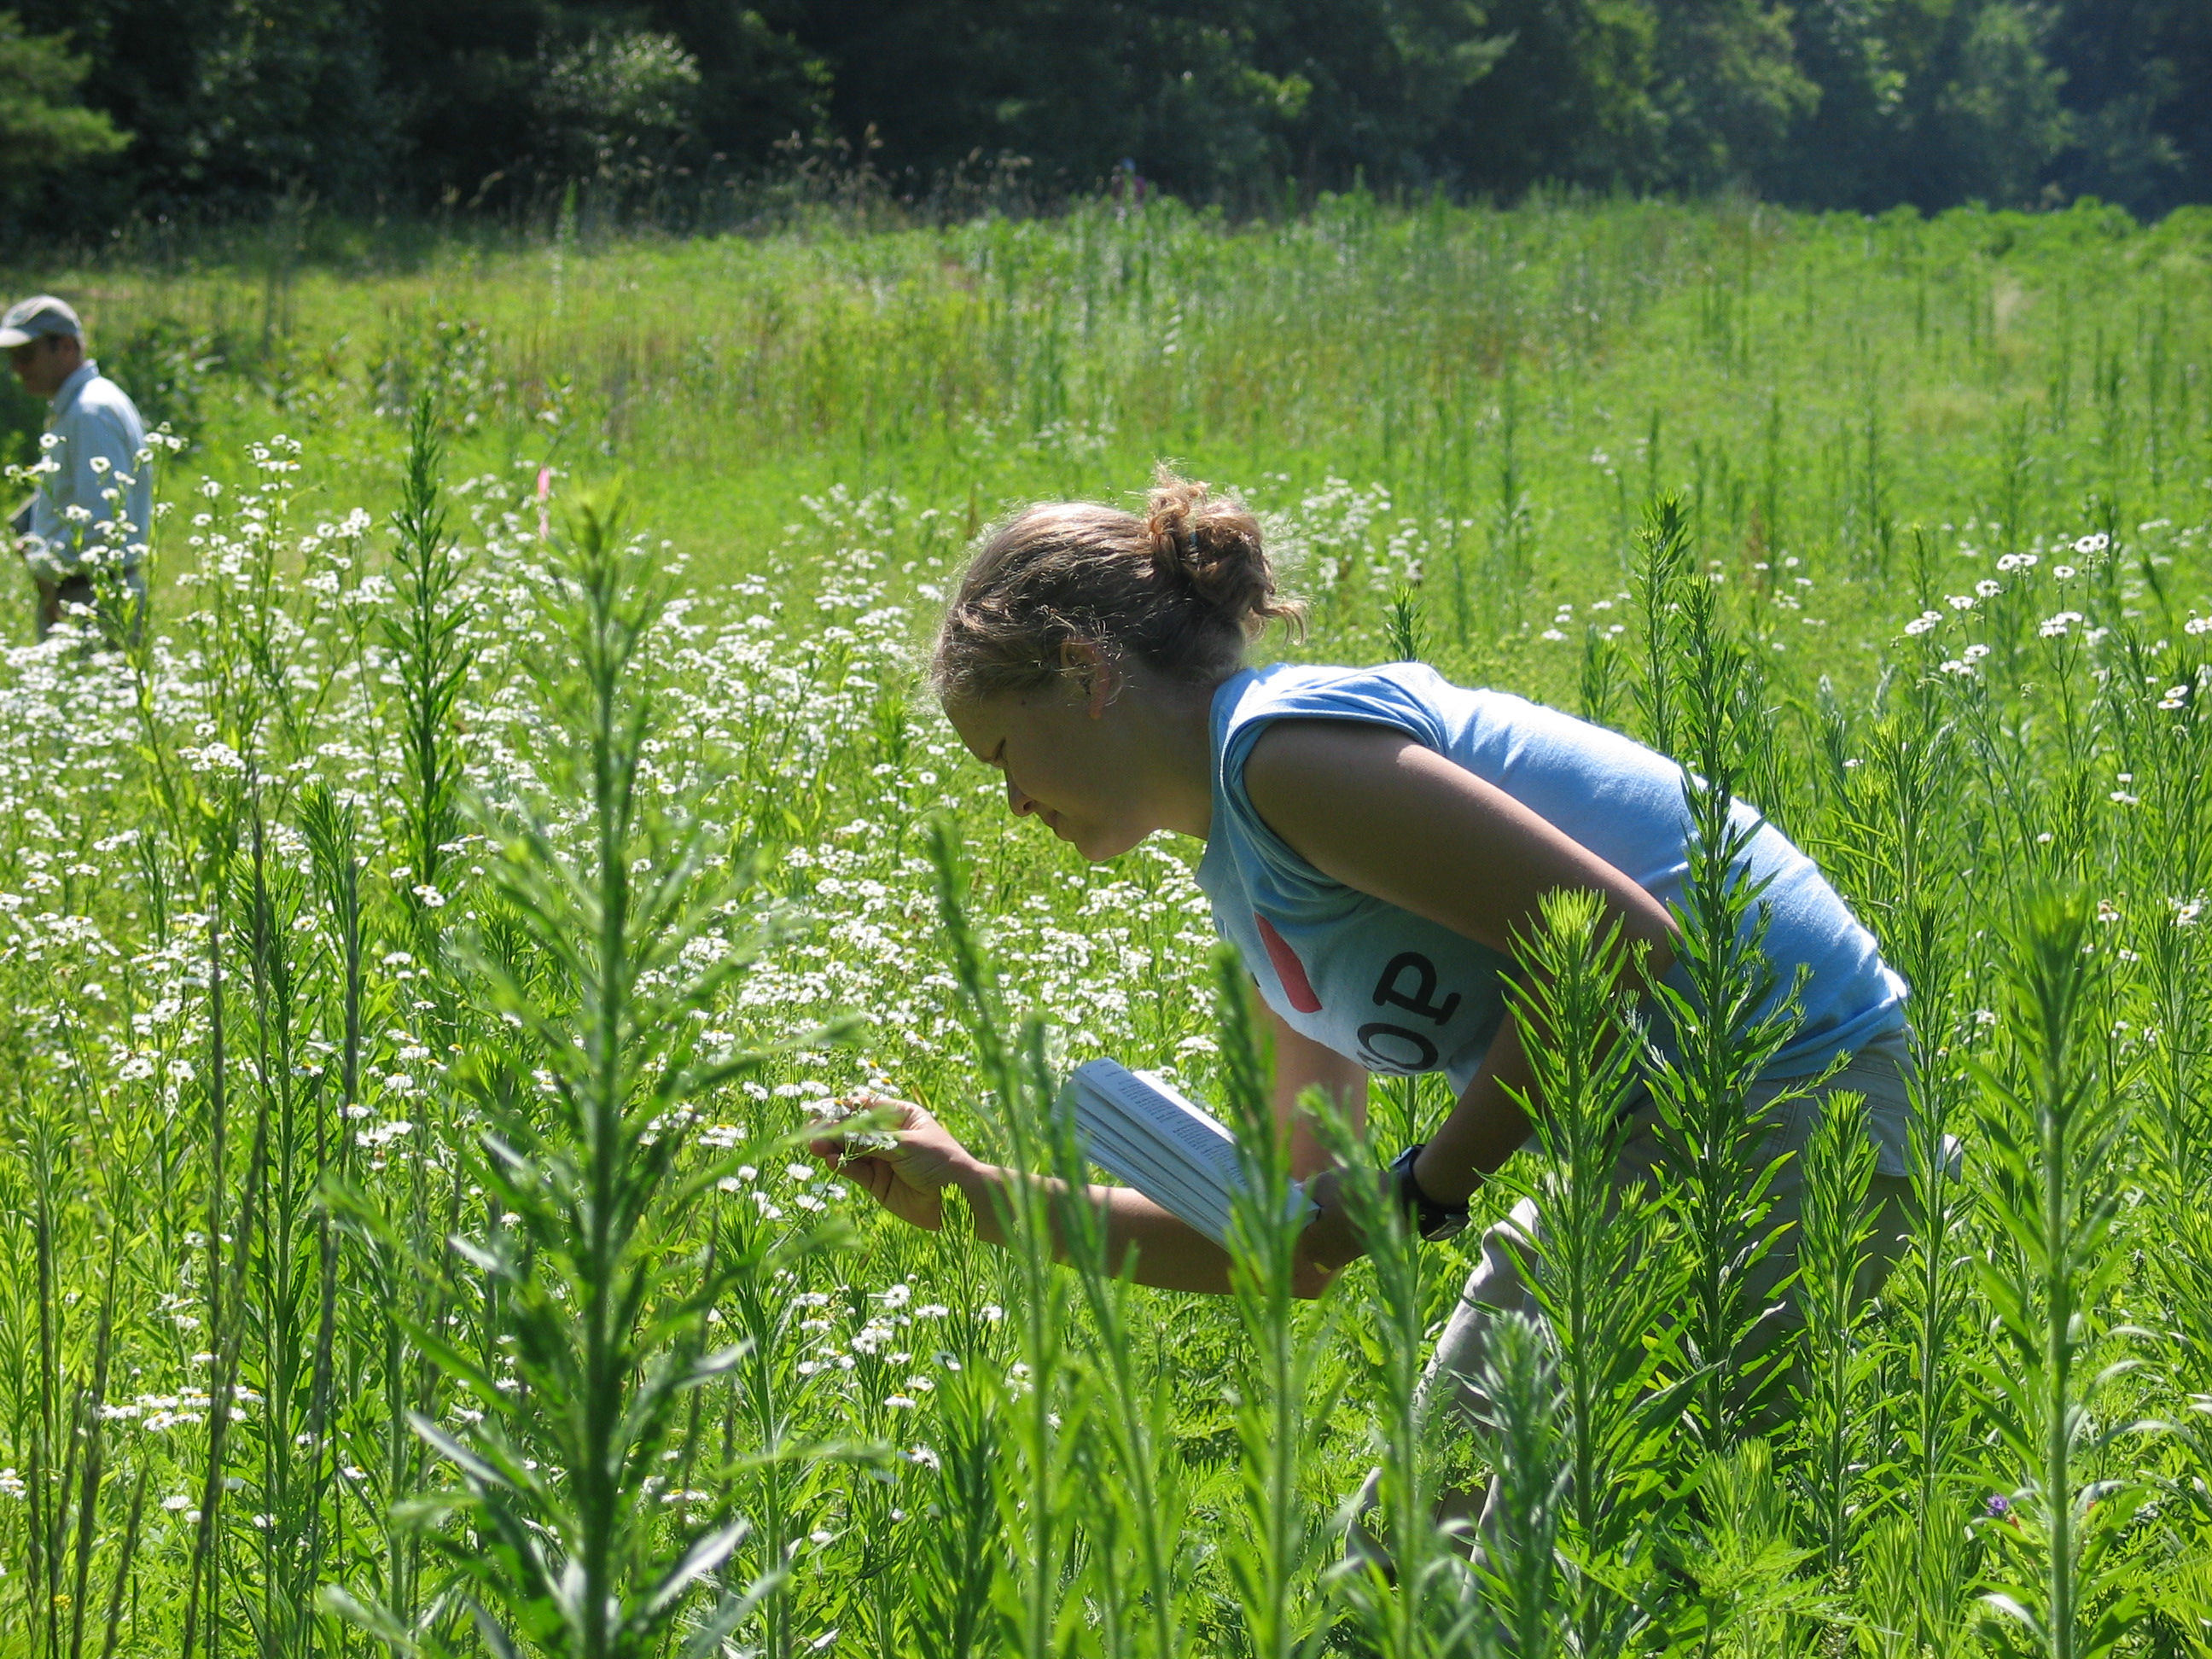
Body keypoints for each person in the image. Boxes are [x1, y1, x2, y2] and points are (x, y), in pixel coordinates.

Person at [809, 470, 1917, 1509]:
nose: (1009, 803)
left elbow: (1613, 944)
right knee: (1409, 1557)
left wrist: (1429, 1188)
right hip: (1656, 1131)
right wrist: (970, 1195)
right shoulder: (1251, 881)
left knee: (1520, 1576)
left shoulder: (1282, 754)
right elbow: (1301, 1245)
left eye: (1003, 753)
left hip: (1786, 1099)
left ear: (1085, 673)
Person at [3, 294, 152, 643]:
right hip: (83, 591)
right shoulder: (79, 407)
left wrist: (43, 563)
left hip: (95, 598)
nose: (17, 368)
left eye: (26, 355)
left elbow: (103, 521)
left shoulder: (89, 412)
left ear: (66, 347)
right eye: (12, 357)